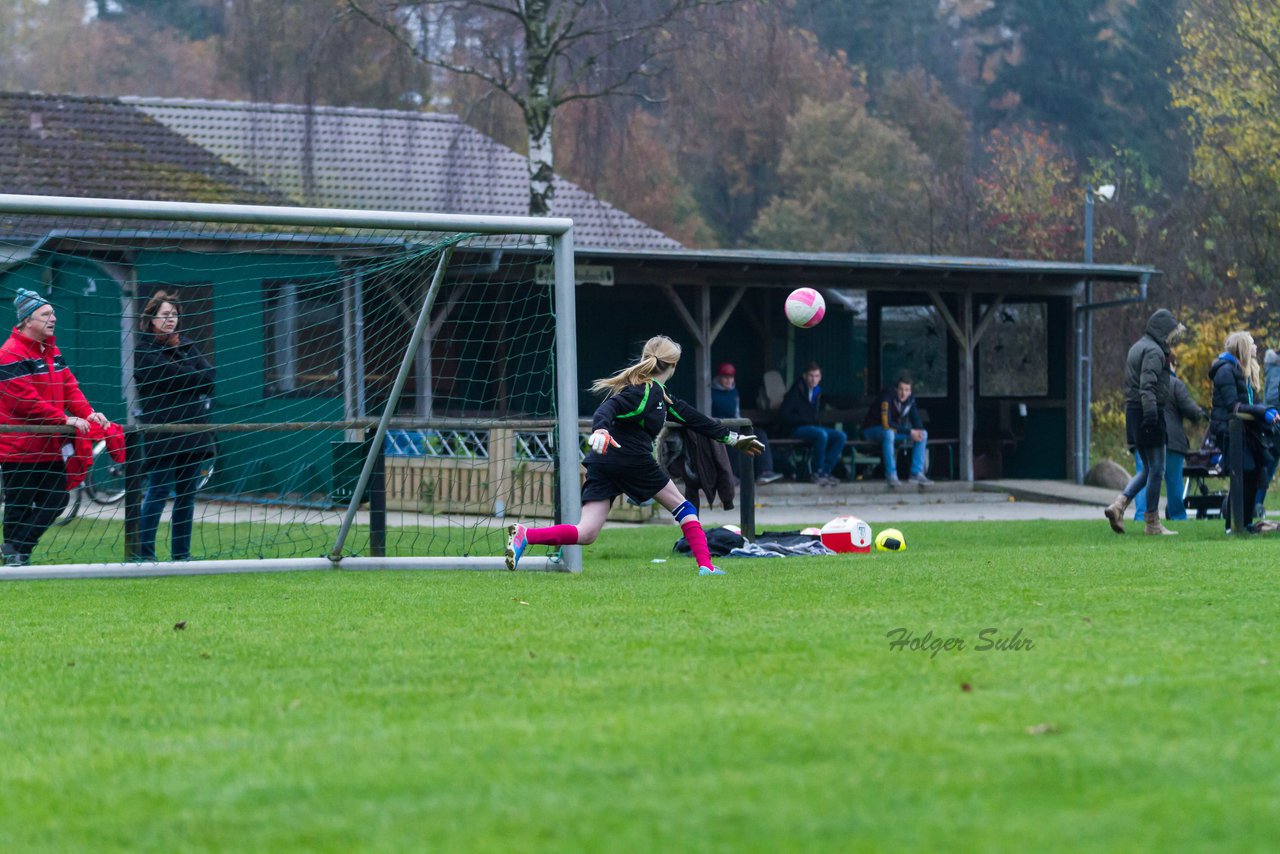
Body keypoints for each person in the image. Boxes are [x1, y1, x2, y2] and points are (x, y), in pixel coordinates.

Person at [505, 335, 763, 575]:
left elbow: (696, 420)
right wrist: (601, 430)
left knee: (587, 533)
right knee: (684, 507)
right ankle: (706, 566)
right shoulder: (645, 392)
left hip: (604, 462)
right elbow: (608, 408)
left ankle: (526, 535)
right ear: (673, 366)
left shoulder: (659, 397)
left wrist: (733, 439)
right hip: (630, 459)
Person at [0, 289, 110, 565]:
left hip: (50, 446)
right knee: (19, 505)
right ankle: (17, 557)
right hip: (19, 448)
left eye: (53, 313)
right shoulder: (9, 354)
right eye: (45, 314)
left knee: (56, 502)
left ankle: (15, 549)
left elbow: (70, 388)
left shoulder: (53, 351)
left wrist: (89, 414)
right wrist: (64, 420)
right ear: (26, 320)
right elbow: (24, 402)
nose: (53, 318)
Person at [134, 290, 215, 561]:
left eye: (174, 315)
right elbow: (171, 377)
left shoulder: (188, 345)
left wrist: (186, 375)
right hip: (163, 434)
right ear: (151, 319)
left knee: (187, 496)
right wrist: (189, 375)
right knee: (157, 492)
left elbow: (208, 378)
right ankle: (144, 555)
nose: (171, 320)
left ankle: (182, 555)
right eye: (165, 315)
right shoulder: (144, 351)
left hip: (193, 433)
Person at [1104, 308, 1185, 536]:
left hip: (1134, 411)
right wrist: (1151, 418)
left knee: (1148, 468)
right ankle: (1152, 523)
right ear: (1162, 331)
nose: (1172, 338)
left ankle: (1119, 505)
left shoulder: (1139, 346)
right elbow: (1147, 386)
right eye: (1171, 333)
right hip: (1148, 412)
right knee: (1157, 469)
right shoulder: (1154, 351)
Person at [1207, 331, 1280, 534]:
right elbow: (1234, 406)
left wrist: (1268, 411)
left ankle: (1245, 523)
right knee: (1243, 472)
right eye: (1252, 344)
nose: (1256, 347)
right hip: (1229, 431)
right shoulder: (1225, 371)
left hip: (1246, 431)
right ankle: (1232, 524)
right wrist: (1263, 412)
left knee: (1255, 472)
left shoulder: (1242, 372)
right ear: (1243, 348)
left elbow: (1253, 403)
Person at [1131, 355, 1206, 521]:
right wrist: (1203, 414)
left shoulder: (1139, 385)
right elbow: (1191, 410)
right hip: (1171, 441)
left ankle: (1141, 516)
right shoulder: (1174, 384)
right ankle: (1177, 515)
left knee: (1143, 476)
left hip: (1143, 438)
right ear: (1171, 365)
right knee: (1173, 481)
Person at [710, 362, 781, 485]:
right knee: (735, 435)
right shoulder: (710, 392)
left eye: (731, 377)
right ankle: (730, 474)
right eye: (725, 377)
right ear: (719, 377)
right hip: (718, 428)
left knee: (760, 434)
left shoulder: (734, 392)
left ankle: (765, 472)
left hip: (734, 424)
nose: (728, 380)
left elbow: (736, 414)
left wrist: (745, 426)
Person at [778, 362, 846, 486]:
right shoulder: (796, 390)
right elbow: (784, 414)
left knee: (841, 436)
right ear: (804, 376)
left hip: (812, 428)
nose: (813, 379)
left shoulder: (817, 393)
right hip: (795, 429)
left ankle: (826, 472)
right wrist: (803, 419)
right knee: (821, 434)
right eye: (811, 376)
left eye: (816, 376)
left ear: (820, 378)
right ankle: (817, 472)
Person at [861, 373, 931, 487]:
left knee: (923, 434)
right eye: (901, 389)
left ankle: (916, 473)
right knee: (889, 434)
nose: (903, 393)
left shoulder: (910, 400)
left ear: (910, 391)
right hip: (871, 431)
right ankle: (891, 474)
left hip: (893, 432)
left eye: (907, 390)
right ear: (896, 389)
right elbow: (886, 423)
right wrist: (909, 432)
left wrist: (918, 431)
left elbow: (917, 421)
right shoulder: (887, 396)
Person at [1256, 346, 1280, 517]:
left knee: (1268, 467)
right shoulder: (1277, 369)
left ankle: (1256, 504)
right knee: (1268, 466)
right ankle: (1256, 504)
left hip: (1272, 427)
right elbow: (1272, 398)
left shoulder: (1272, 368)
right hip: (1276, 427)